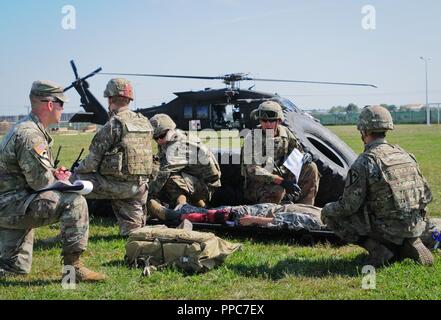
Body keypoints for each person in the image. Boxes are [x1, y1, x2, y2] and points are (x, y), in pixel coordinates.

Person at [0, 80, 106, 281]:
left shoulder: (26, 128)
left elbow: (29, 175)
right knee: (75, 202)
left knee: (15, 268)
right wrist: (59, 180)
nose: (63, 108)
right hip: (12, 206)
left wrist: (54, 173)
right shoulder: (31, 135)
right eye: (61, 104)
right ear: (50, 104)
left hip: (11, 201)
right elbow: (40, 183)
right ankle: (73, 272)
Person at [322, 105, 434, 267]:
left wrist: (327, 208)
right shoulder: (406, 155)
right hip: (414, 224)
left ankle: (378, 249)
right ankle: (407, 242)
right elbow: (427, 195)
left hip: (387, 229)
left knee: (330, 213)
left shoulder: (364, 162)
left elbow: (348, 206)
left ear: (364, 131)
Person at [73, 78, 153, 236]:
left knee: (72, 184)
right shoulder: (144, 122)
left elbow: (91, 162)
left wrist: (76, 169)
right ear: (129, 99)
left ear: (109, 99)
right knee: (134, 234)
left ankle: (73, 233)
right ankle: (133, 231)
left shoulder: (113, 124)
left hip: (115, 185)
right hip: (139, 187)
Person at [241, 101, 320, 205]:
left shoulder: (285, 132)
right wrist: (281, 181)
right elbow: (253, 170)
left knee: (311, 167)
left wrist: (306, 155)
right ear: (260, 120)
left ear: (279, 121)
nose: (268, 124)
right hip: (259, 183)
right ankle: (269, 215)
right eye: (264, 121)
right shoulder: (252, 138)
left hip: (283, 176)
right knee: (277, 190)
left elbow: (297, 151)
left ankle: (304, 209)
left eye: (272, 121)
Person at [148, 114, 221, 209]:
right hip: (192, 179)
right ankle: (196, 206)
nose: (159, 140)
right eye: (155, 138)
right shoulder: (169, 140)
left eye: (161, 136)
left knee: (169, 180)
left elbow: (163, 172)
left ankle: (185, 208)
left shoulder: (180, 144)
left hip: (207, 186)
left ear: (171, 130)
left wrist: (146, 193)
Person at [148, 199, 323, 231]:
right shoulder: (324, 213)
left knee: (219, 215)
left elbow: (285, 221)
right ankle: (182, 206)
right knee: (222, 210)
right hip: (270, 208)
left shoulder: (320, 220)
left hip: (263, 213)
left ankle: (169, 214)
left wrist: (254, 220)